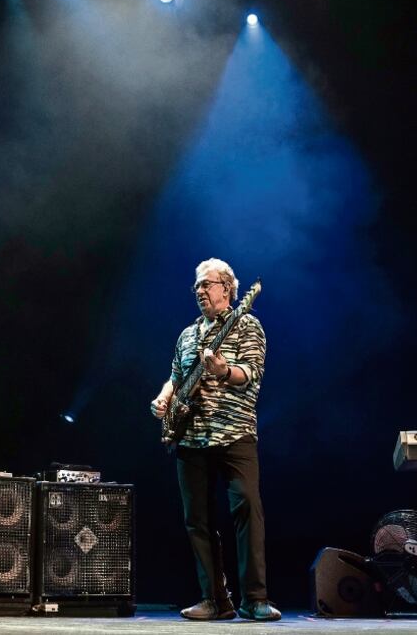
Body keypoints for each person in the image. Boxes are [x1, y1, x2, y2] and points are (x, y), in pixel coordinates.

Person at [150, 258, 280, 622]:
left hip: (235, 434)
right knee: (198, 521)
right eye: (197, 286)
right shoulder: (188, 334)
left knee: (247, 509)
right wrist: (164, 399)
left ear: (227, 288)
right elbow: (176, 376)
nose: (200, 291)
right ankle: (214, 600)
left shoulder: (247, 325)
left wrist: (224, 370)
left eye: (206, 284)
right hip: (191, 439)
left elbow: (250, 374)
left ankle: (254, 599)